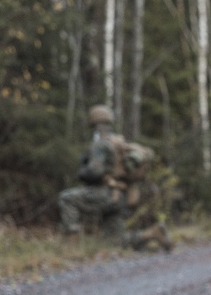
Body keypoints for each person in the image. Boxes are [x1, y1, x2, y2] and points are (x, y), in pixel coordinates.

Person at [58, 105, 172, 252]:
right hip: (121, 196)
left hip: (106, 193)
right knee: (115, 242)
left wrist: (82, 173)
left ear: (93, 123)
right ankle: (152, 233)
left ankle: (71, 246)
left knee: (67, 198)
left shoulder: (100, 143)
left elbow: (95, 171)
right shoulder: (117, 141)